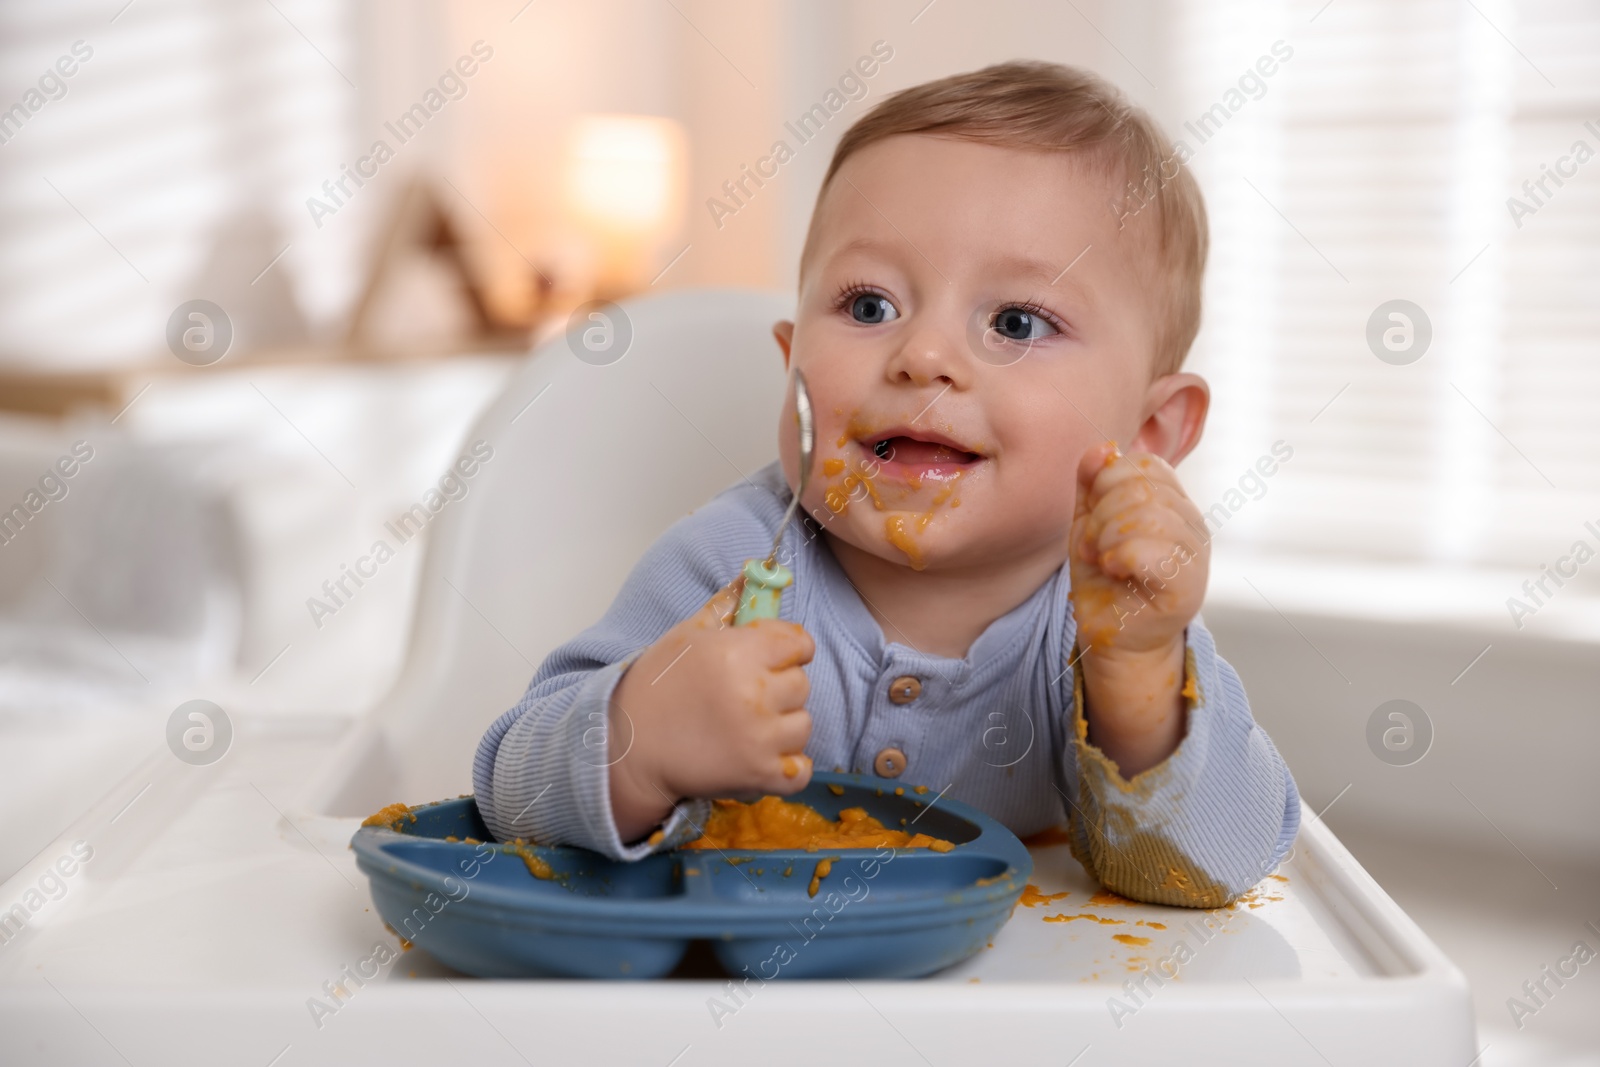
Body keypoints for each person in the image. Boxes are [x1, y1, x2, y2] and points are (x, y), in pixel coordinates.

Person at [474, 61, 1299, 907]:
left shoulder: (1113, 621)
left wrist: (1137, 687)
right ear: (791, 367)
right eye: (870, 306)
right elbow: (509, 794)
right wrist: (637, 741)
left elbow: (1221, 864)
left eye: (1016, 322)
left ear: (1149, 435)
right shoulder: (729, 568)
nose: (924, 356)